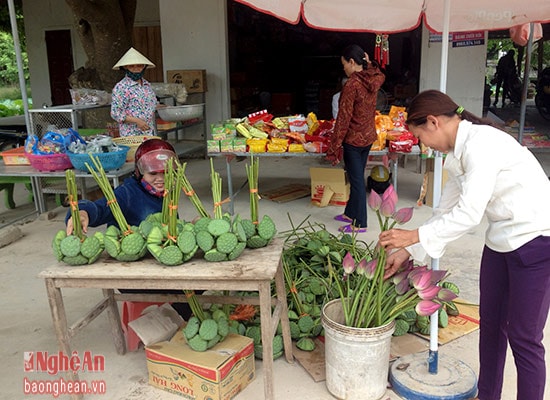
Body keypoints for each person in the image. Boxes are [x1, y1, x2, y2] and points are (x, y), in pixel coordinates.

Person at [378, 90, 550, 400]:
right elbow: (445, 214)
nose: (422, 145)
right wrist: (408, 250)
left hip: (537, 240)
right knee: (492, 328)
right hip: (501, 240)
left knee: (525, 338)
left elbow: (469, 214)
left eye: (420, 137)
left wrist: (413, 236)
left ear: (433, 122)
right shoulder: (457, 156)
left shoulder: (481, 145)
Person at [65, 139, 195, 320]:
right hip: (133, 272)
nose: (160, 179)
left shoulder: (166, 193)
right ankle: (180, 321)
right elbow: (100, 208)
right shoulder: (127, 193)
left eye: (166, 173)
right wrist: (83, 212)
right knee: (187, 285)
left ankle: (182, 318)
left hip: (159, 263)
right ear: (140, 172)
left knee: (200, 279)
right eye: (153, 173)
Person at [326, 44, 385, 233]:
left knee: (357, 180)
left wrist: (334, 146)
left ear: (352, 62)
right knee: (356, 177)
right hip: (368, 136)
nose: (344, 68)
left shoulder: (352, 84)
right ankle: (350, 213)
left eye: (344, 64)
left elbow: (343, 118)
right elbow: (379, 73)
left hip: (353, 140)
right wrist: (370, 64)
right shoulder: (373, 78)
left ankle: (360, 223)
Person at [110, 47, 158, 137]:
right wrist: (137, 121)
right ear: (125, 68)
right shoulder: (121, 87)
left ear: (144, 67)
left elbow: (152, 105)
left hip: (149, 132)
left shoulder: (147, 85)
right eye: (131, 66)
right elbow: (116, 113)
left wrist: (164, 108)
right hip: (131, 134)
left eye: (139, 65)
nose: (136, 69)